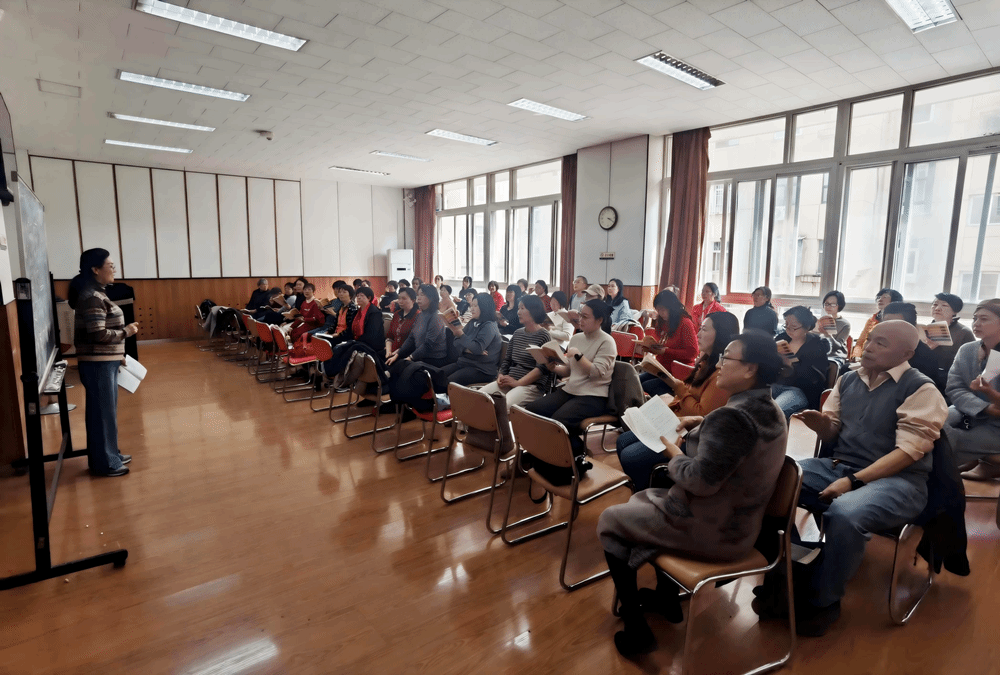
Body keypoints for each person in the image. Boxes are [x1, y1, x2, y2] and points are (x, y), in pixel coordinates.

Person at [598, 330, 788, 655]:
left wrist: (673, 452)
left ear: (750, 368)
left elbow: (700, 481)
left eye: (727, 358)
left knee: (610, 520)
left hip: (712, 528)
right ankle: (666, 598)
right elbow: (737, 444)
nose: (720, 365)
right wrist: (703, 422)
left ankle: (636, 628)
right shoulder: (770, 409)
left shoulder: (732, 417)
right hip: (740, 523)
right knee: (645, 499)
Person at [787, 321, 947, 636]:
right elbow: (833, 433)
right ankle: (795, 571)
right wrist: (822, 425)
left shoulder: (921, 389)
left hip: (901, 480)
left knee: (845, 513)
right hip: (841, 465)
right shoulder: (849, 378)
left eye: (881, 343)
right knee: (776, 480)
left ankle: (824, 600)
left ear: (907, 353)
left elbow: (908, 453)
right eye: (870, 339)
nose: (869, 347)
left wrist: (854, 481)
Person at [616, 311, 741, 490]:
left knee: (631, 455)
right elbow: (689, 392)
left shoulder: (721, 374)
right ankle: (642, 485)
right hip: (676, 421)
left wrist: (679, 390)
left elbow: (701, 414)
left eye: (704, 330)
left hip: (688, 433)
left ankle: (652, 488)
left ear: (721, 334)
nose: (698, 334)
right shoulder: (705, 361)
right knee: (622, 441)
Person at [68, 248, 139, 477]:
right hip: (97, 364)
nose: (114, 269)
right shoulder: (92, 297)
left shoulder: (98, 293)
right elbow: (98, 333)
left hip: (104, 361)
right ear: (96, 269)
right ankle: (105, 463)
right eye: (110, 265)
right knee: (102, 415)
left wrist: (117, 354)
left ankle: (111, 454)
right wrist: (126, 332)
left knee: (106, 413)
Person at [525, 300, 616, 455]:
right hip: (571, 390)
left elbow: (597, 372)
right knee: (534, 409)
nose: (580, 320)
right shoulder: (577, 338)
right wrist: (553, 368)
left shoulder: (607, 341)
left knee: (559, 421)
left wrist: (579, 356)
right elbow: (568, 371)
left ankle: (573, 455)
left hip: (593, 396)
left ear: (599, 320)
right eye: (580, 315)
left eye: (585, 317)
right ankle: (539, 453)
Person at [942, 298, 1000, 481]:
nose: (976, 323)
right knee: (933, 422)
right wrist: (984, 408)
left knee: (947, 439)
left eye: (984, 319)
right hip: (966, 410)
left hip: (997, 425)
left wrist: (990, 398)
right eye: (975, 318)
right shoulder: (967, 350)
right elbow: (954, 387)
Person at [481, 295, 553, 410]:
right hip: (510, 379)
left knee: (502, 405)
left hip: (531, 385)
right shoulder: (518, 333)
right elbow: (507, 360)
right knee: (480, 397)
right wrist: (501, 375)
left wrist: (518, 383)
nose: (518, 312)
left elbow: (541, 369)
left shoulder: (544, 335)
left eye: (522, 308)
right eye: (518, 308)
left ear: (533, 310)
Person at [771, 306, 831, 419]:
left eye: (793, 327)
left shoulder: (817, 346)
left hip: (800, 391)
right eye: (786, 325)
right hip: (776, 385)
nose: (788, 329)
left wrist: (791, 365)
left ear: (806, 327)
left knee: (773, 413)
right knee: (751, 402)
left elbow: (816, 379)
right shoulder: (781, 338)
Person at [639, 290, 698, 397]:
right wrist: (651, 348)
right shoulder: (662, 321)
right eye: (658, 310)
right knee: (636, 381)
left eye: (662, 309)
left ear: (672, 307)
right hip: (661, 369)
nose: (660, 313)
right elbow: (663, 344)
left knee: (647, 386)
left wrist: (666, 351)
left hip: (677, 373)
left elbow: (693, 353)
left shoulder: (685, 323)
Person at [437, 291, 502, 385]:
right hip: (465, 363)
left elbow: (477, 348)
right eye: (472, 306)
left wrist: (462, 336)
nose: (472, 309)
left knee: (447, 383)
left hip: (481, 369)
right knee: (437, 375)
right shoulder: (473, 322)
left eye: (475, 306)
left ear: (484, 307)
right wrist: (467, 350)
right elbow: (456, 342)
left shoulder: (489, 326)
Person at [881, 302, 947, 394]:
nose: (888, 329)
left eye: (896, 325)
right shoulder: (878, 346)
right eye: (885, 323)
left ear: (912, 327)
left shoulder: (925, 357)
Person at [323, 287, 386, 377]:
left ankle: (336, 374)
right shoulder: (357, 312)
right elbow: (350, 330)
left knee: (343, 348)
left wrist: (353, 341)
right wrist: (340, 336)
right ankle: (331, 372)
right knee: (332, 343)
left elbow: (372, 334)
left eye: (362, 296)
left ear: (369, 298)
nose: (358, 298)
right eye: (357, 296)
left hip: (371, 344)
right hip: (358, 341)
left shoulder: (374, 312)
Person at [386, 284, 449, 369]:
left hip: (433, 359)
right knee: (390, 362)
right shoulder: (420, 315)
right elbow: (411, 338)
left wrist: (410, 358)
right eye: (418, 295)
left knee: (399, 367)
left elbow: (428, 345)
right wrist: (398, 353)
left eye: (422, 295)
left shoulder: (436, 317)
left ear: (431, 298)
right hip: (420, 356)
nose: (418, 298)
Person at [928, 292, 975, 375]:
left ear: (955, 311)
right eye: (935, 304)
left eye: (944, 305)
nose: (937, 308)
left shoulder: (964, 332)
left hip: (950, 375)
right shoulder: (925, 329)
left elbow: (971, 361)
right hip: (925, 373)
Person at [852, 287, 902, 360]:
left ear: (895, 301)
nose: (880, 299)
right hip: (863, 358)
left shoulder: (898, 322)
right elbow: (859, 343)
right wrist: (856, 356)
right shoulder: (871, 320)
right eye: (879, 297)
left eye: (885, 297)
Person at [385, 287, 420, 359]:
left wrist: (398, 353)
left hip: (406, 354)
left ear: (413, 300)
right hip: (391, 351)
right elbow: (390, 336)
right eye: (399, 298)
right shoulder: (397, 314)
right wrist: (388, 351)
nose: (400, 301)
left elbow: (414, 342)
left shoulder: (418, 316)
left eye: (404, 298)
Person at [818, 290, 851, 360]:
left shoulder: (845, 324)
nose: (828, 307)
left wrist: (828, 335)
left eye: (833, 304)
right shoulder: (820, 320)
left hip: (836, 355)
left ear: (840, 305)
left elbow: (838, 346)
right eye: (826, 304)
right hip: (820, 353)